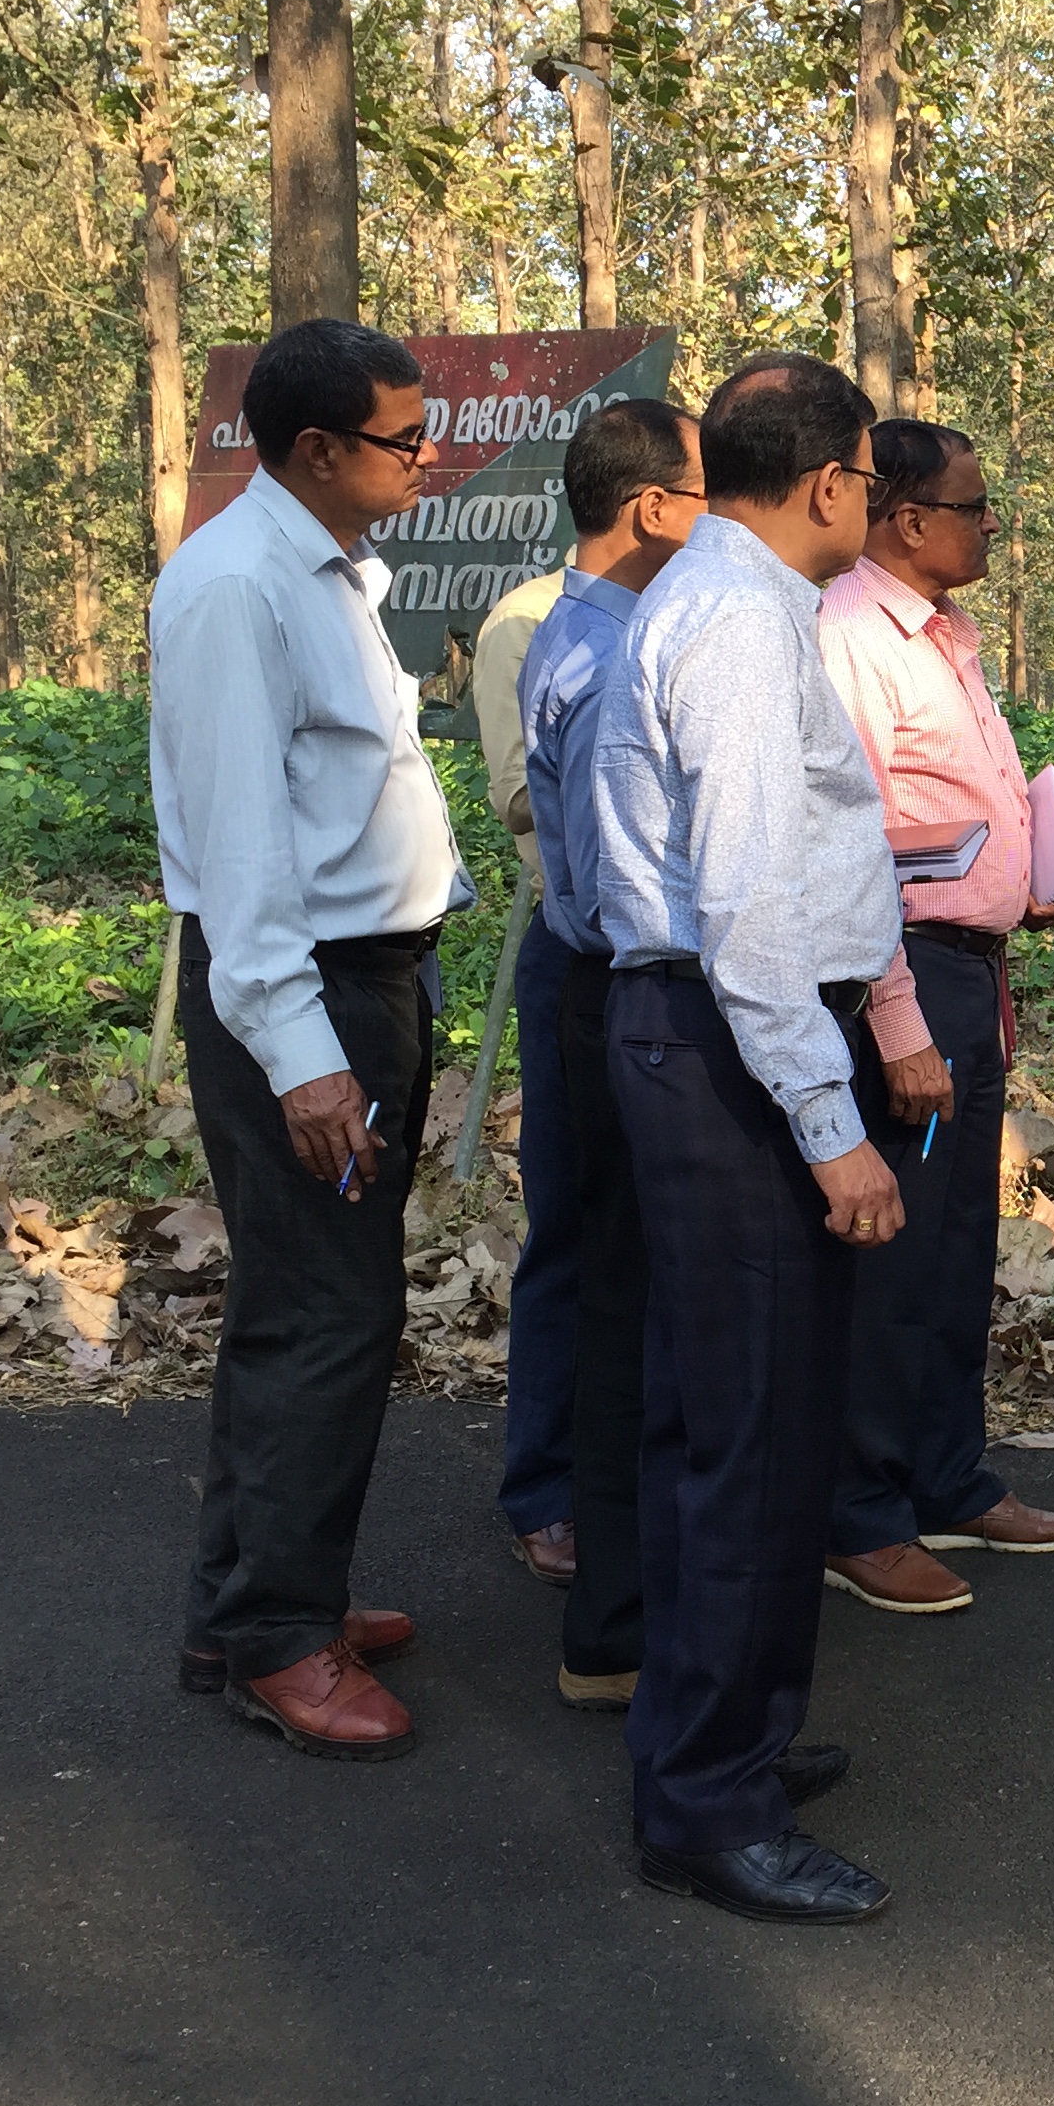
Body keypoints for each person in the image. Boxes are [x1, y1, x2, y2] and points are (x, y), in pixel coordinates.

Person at [592, 351, 900, 1924]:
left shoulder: (744, 599)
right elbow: (752, 906)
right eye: (871, 472)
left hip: (728, 1039)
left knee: (738, 1415)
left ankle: (733, 1740)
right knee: (747, 1434)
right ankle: (706, 1800)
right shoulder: (729, 620)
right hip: (736, 1044)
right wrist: (830, 1123)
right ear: (834, 477)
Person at [151, 318, 472, 1759]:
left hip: (369, 980)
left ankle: (256, 1598)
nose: (431, 457)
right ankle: (282, 1634)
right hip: (311, 995)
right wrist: (304, 1054)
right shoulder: (235, 589)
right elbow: (240, 853)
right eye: (406, 439)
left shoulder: (329, 570)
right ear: (317, 449)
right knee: (328, 1314)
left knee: (307, 1302)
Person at [815, 421, 1054, 1617]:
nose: (992, 529)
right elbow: (847, 845)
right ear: (907, 520)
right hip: (905, 976)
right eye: (976, 510)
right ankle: (860, 1510)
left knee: (955, 1245)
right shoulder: (848, 643)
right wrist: (898, 1022)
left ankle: (945, 1475)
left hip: (970, 970)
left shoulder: (949, 640)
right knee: (893, 1251)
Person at [518, 397, 703, 1711]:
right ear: (649, 509)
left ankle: (618, 1592)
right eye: (702, 493)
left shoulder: (589, 632)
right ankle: (621, 1614)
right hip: (617, 988)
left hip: (590, 975)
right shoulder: (608, 657)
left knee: (609, 1279)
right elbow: (637, 890)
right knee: (627, 1292)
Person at [474, 561, 581, 1587]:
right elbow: (520, 798)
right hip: (580, 946)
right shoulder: (526, 624)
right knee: (573, 1231)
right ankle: (546, 1489)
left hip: (685, 966)